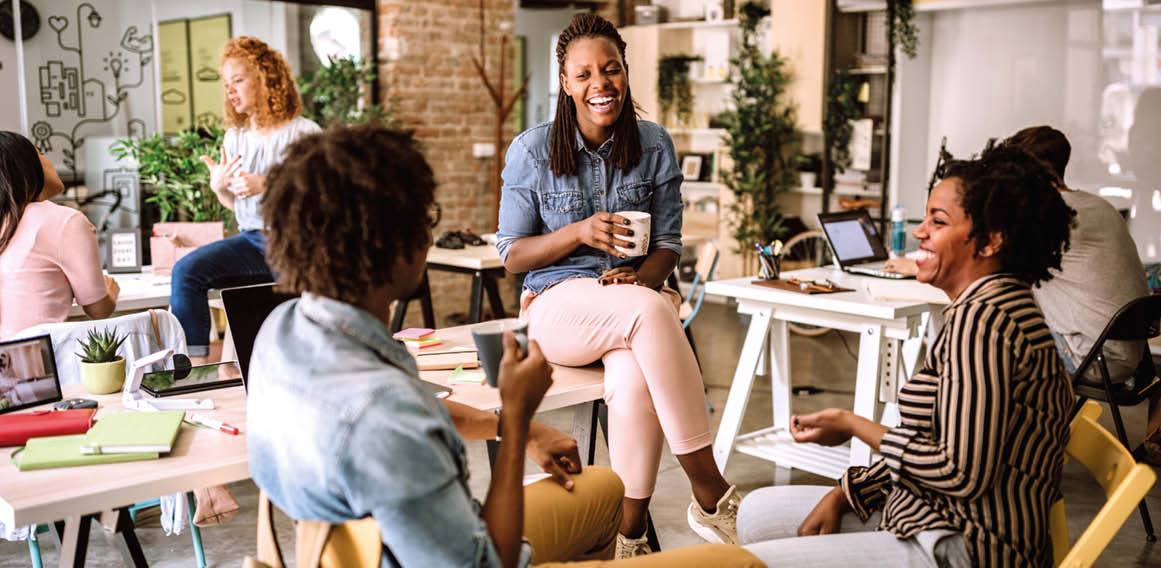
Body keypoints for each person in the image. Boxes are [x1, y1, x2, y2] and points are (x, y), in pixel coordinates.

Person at [246, 124, 764, 568]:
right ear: (396, 246)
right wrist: (516, 419)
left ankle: (649, 526)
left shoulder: (286, 328)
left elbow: (409, 406)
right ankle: (711, 501)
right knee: (738, 562)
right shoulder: (384, 423)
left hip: (375, 543)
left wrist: (521, 429)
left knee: (605, 489)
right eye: (423, 224)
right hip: (473, 555)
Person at [738, 145, 1077, 566]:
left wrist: (854, 425)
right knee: (756, 513)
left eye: (938, 221)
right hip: (925, 514)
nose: (920, 232)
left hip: (967, 545)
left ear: (990, 241)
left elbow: (958, 472)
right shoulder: (986, 308)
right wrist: (849, 491)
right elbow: (936, 439)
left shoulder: (987, 323)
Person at [496, 14, 737, 556]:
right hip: (557, 305)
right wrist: (579, 232)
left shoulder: (654, 144)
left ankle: (628, 538)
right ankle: (710, 488)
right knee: (650, 313)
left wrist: (644, 276)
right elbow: (513, 255)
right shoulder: (532, 151)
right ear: (565, 82)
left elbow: (669, 245)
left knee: (632, 381)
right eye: (584, 75)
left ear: (626, 73)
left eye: (611, 70)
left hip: (632, 302)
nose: (599, 84)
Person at [886, 125, 1160, 461]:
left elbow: (987, 266)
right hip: (1130, 357)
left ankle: (958, 447)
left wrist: (919, 265)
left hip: (1094, 357)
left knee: (983, 346)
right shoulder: (1096, 206)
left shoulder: (1054, 216)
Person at [170, 36, 320, 360]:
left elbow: (323, 197)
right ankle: (193, 368)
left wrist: (267, 183)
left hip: (295, 244)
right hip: (253, 242)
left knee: (298, 299)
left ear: (265, 78)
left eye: (238, 80)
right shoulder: (235, 137)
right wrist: (219, 186)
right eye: (226, 83)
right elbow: (236, 205)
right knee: (185, 272)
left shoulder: (304, 132)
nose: (230, 90)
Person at [0, 131, 119, 339]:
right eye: (41, 153)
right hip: (36, 364)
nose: (50, 162)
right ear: (27, 166)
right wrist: (110, 292)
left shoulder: (7, 221)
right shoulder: (63, 221)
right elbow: (99, 310)